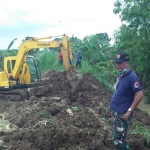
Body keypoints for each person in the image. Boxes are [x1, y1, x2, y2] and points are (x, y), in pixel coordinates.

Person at [109, 52, 143, 150]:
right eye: (116, 63)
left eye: (120, 63)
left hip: (123, 113)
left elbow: (140, 95)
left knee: (119, 138)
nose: (117, 65)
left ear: (127, 63)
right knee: (117, 136)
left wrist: (129, 111)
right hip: (117, 111)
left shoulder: (132, 77)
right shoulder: (121, 75)